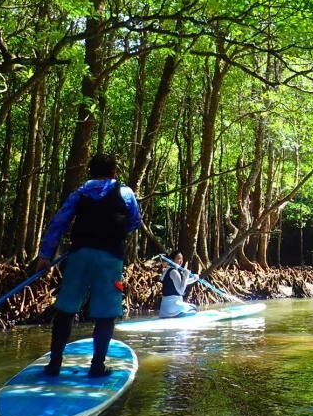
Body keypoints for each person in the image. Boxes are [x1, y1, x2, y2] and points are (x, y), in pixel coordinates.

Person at [36, 153, 142, 378]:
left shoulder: (80, 193)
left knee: (65, 310)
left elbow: (59, 222)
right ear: (114, 172)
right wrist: (117, 232)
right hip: (110, 259)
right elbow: (135, 221)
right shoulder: (126, 193)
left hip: (79, 256)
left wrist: (45, 254)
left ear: (90, 172)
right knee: (105, 315)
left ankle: (54, 364)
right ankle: (97, 366)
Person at [159, 252, 200, 318]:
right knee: (194, 308)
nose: (181, 261)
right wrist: (186, 276)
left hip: (164, 309)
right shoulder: (174, 272)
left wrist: (194, 279)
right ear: (172, 260)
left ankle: (178, 315)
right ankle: (178, 315)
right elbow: (181, 291)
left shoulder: (167, 270)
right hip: (172, 306)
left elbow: (181, 284)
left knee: (191, 308)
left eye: (182, 259)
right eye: (178, 259)